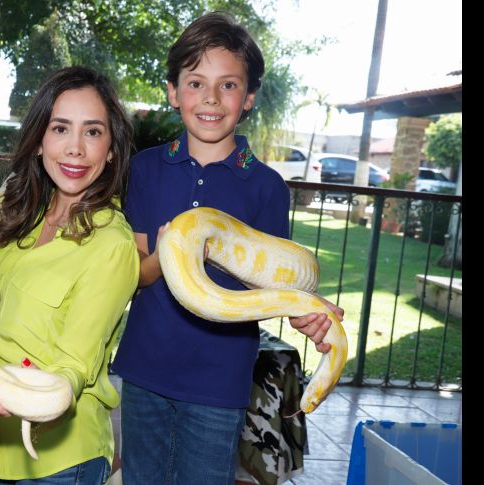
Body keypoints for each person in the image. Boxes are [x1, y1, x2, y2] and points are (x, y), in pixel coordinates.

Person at [110, 12, 344, 484]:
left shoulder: (266, 187)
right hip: (145, 368)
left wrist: (304, 309)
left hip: (220, 380)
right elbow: (133, 275)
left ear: (249, 97)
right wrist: (177, 248)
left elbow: (267, 284)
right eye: (195, 82)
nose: (211, 98)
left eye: (229, 85)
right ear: (174, 92)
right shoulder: (145, 169)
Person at [0, 66, 139, 484]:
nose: (75, 149)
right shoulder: (24, 215)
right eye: (60, 129)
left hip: (58, 458)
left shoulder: (112, 245)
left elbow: (74, 366)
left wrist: (18, 396)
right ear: (38, 142)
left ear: (110, 150)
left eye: (92, 132)